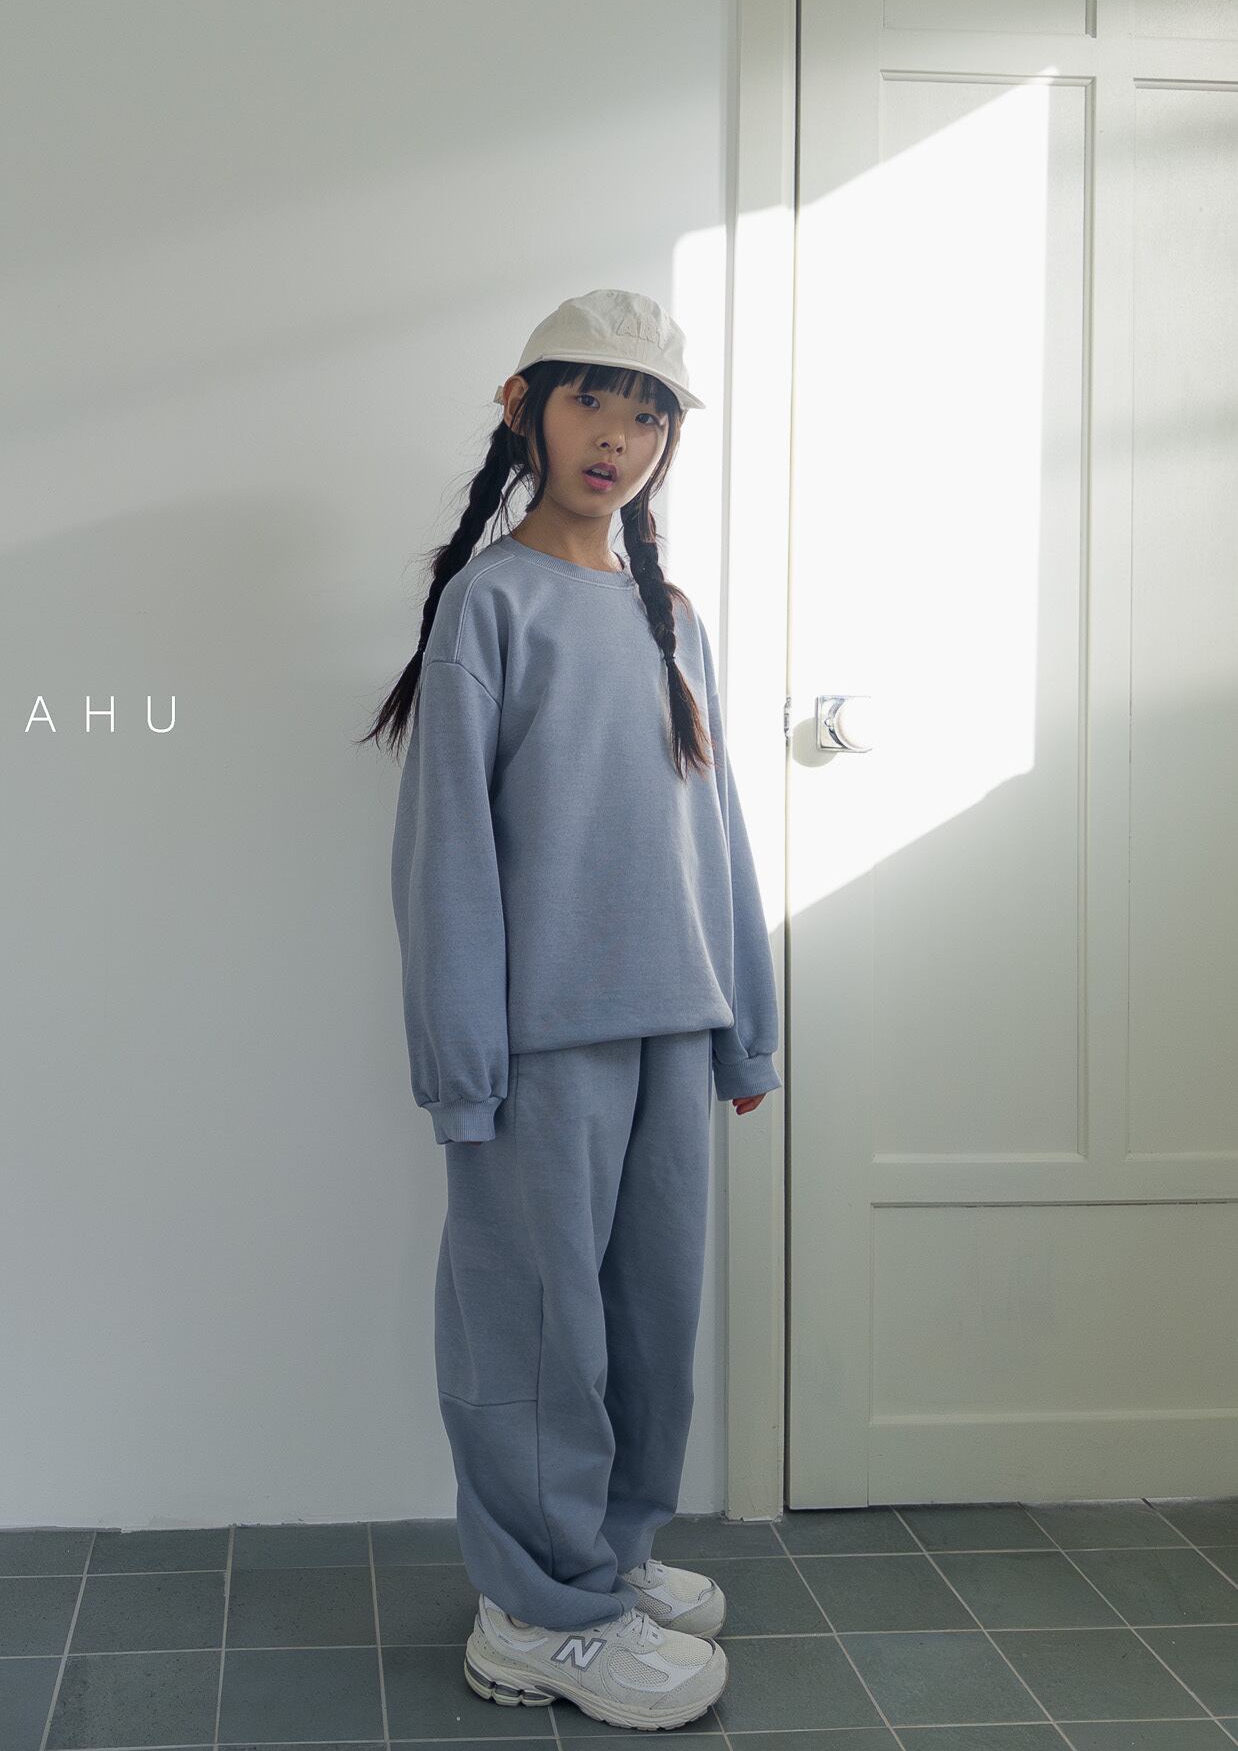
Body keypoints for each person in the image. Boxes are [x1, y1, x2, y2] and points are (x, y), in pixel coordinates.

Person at [361, 289, 782, 1731]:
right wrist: (460, 1063)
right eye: (592, 401)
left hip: (673, 1022)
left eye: (648, 413)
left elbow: (715, 828)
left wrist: (746, 1024)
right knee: (537, 1336)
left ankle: (607, 1555)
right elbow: (446, 856)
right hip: (538, 1041)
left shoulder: (670, 618)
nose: (618, 437)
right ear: (523, 407)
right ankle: (535, 1616)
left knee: (649, 1321)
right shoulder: (489, 606)